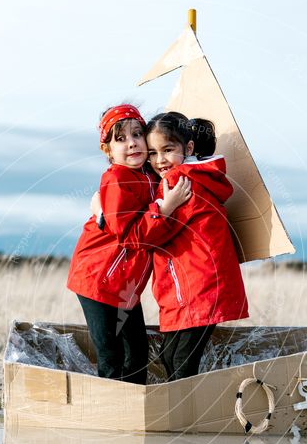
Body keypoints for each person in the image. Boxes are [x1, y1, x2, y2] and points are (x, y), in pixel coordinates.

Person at [66, 104, 191, 384]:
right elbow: (130, 237)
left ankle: (137, 409)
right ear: (108, 150)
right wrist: (165, 207)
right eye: (120, 139)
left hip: (125, 286)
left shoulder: (150, 173)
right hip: (97, 280)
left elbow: (173, 144)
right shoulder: (116, 179)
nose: (132, 143)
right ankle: (113, 414)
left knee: (136, 350)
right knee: (110, 351)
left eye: (137, 134)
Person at [146, 112, 249, 380]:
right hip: (199, 284)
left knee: (180, 360)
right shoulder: (198, 177)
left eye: (167, 150)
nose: (159, 160)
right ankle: (183, 412)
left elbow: (153, 234)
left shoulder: (178, 182)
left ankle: (185, 418)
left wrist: (156, 209)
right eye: (152, 153)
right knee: (171, 356)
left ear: (188, 148)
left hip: (197, 286)